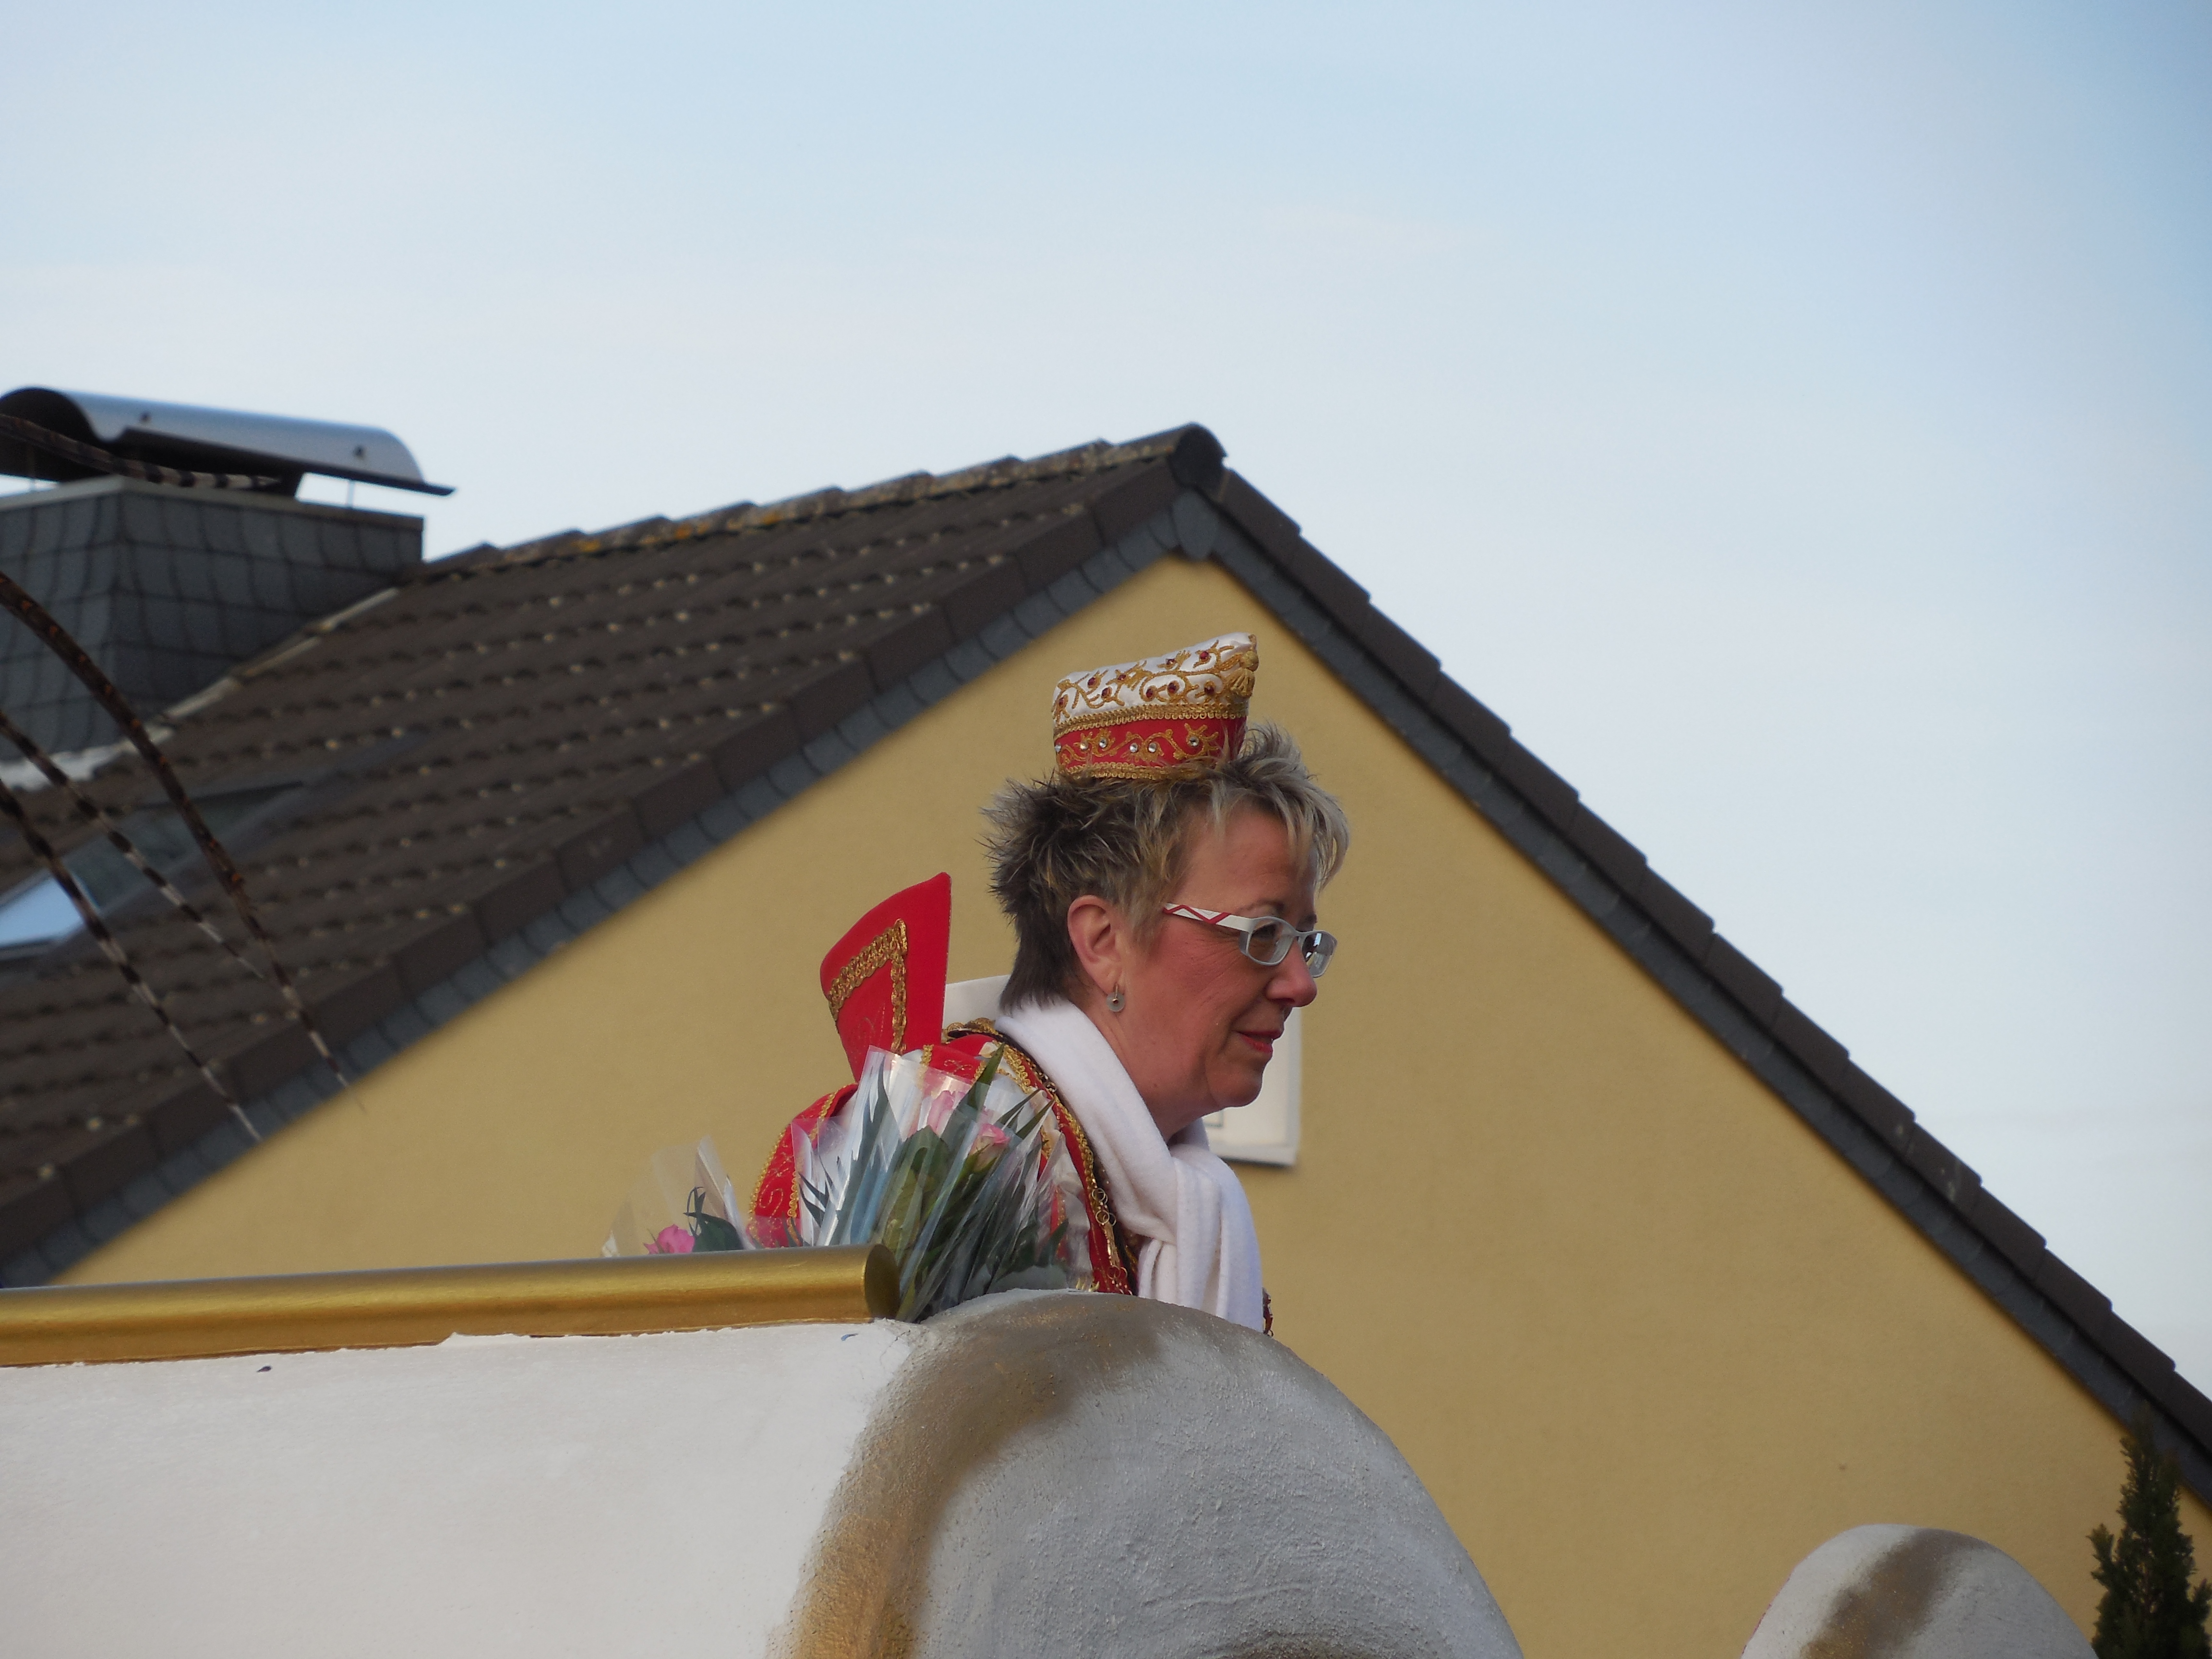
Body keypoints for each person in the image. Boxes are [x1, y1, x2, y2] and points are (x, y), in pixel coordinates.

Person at [750, 632, 1349, 1332]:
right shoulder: (958, 1136)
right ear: (1104, 942)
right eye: (1262, 935)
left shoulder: (1183, 1193)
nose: (1299, 984)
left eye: (1305, 942)